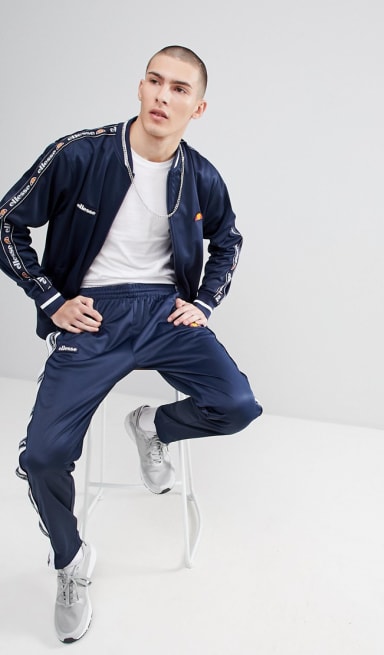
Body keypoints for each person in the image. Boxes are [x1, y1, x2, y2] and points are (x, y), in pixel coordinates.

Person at [0, 45, 262, 643]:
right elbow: (5, 222)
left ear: (198, 108)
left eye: (179, 89)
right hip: (93, 314)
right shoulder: (80, 152)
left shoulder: (200, 175)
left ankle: (152, 426)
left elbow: (229, 240)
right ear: (140, 87)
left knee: (238, 405)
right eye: (154, 82)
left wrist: (203, 304)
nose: (162, 97)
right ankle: (71, 561)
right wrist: (51, 299)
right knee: (42, 455)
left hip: (165, 311)